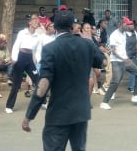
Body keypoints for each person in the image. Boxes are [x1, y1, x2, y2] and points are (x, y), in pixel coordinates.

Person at [21, 10, 105, 151]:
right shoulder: (87, 45)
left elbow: (43, 84)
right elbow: (101, 63)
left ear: (55, 27)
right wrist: (87, 40)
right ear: (73, 26)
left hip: (58, 114)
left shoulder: (50, 49)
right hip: (80, 112)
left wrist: (29, 115)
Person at [100, 17, 137, 110]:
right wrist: (124, 59)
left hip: (125, 60)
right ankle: (104, 102)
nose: (128, 25)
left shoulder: (125, 33)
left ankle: (135, 96)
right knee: (116, 81)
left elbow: (135, 41)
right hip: (116, 61)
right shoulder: (114, 35)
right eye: (126, 24)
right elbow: (113, 51)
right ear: (121, 24)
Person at [5, 14, 40, 114]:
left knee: (38, 80)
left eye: (37, 20)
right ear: (29, 22)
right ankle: (9, 106)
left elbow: (37, 50)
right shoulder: (22, 33)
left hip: (30, 58)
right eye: (34, 20)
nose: (36, 22)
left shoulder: (38, 36)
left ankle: (43, 102)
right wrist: (14, 59)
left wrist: (38, 60)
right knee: (16, 83)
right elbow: (16, 45)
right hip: (21, 57)